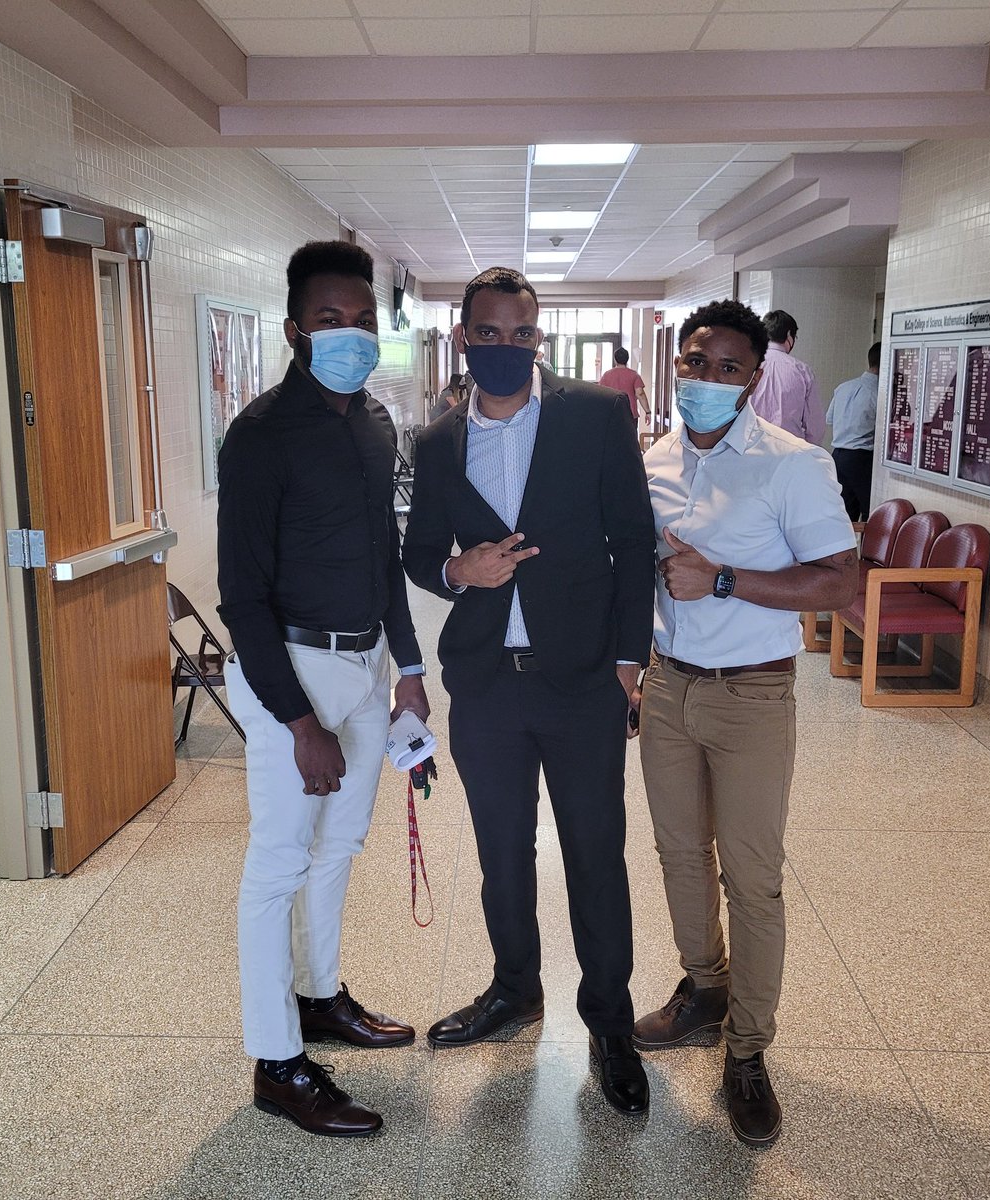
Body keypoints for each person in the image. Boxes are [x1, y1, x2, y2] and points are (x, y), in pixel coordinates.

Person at [403, 266, 655, 1115]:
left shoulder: (592, 415)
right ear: (462, 336)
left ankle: (610, 1023)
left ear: (538, 340)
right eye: (488, 333)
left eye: (521, 334)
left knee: (594, 856)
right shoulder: (437, 443)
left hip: (582, 678)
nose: (504, 347)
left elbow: (634, 540)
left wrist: (630, 662)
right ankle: (515, 989)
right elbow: (416, 556)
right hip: (485, 686)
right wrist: (455, 569)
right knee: (502, 854)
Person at [217, 240, 430, 1139]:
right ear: (295, 329)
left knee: (339, 848)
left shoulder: (374, 424)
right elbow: (241, 595)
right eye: (330, 321)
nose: (350, 335)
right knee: (277, 864)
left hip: (366, 664)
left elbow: (384, 558)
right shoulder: (261, 436)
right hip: (293, 675)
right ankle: (275, 1060)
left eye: (363, 322)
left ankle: (319, 997)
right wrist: (298, 720)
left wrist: (411, 671)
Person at [635, 299, 858, 1147]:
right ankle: (704, 990)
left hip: (753, 696)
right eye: (695, 362)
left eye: (729, 367)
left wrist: (725, 580)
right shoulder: (651, 461)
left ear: (754, 379)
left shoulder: (791, 465)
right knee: (679, 853)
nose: (707, 379)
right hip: (668, 689)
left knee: (752, 876)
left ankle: (749, 1051)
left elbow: (839, 582)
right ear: (676, 365)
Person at [748, 309, 824, 445]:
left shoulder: (749, 365)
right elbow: (815, 427)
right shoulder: (802, 371)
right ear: (789, 335)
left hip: (750, 447)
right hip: (789, 450)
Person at [826, 341, 881, 521]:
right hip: (862, 459)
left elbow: (830, 419)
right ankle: (865, 550)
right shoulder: (881, 392)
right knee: (870, 514)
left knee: (843, 516)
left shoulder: (844, 387)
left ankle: (843, 550)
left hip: (838, 456)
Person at [599, 346, 649, 423]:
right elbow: (640, 393)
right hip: (630, 413)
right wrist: (647, 412)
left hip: (611, 413)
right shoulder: (634, 375)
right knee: (630, 435)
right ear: (627, 359)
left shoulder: (606, 375)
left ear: (615, 360)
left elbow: (601, 393)